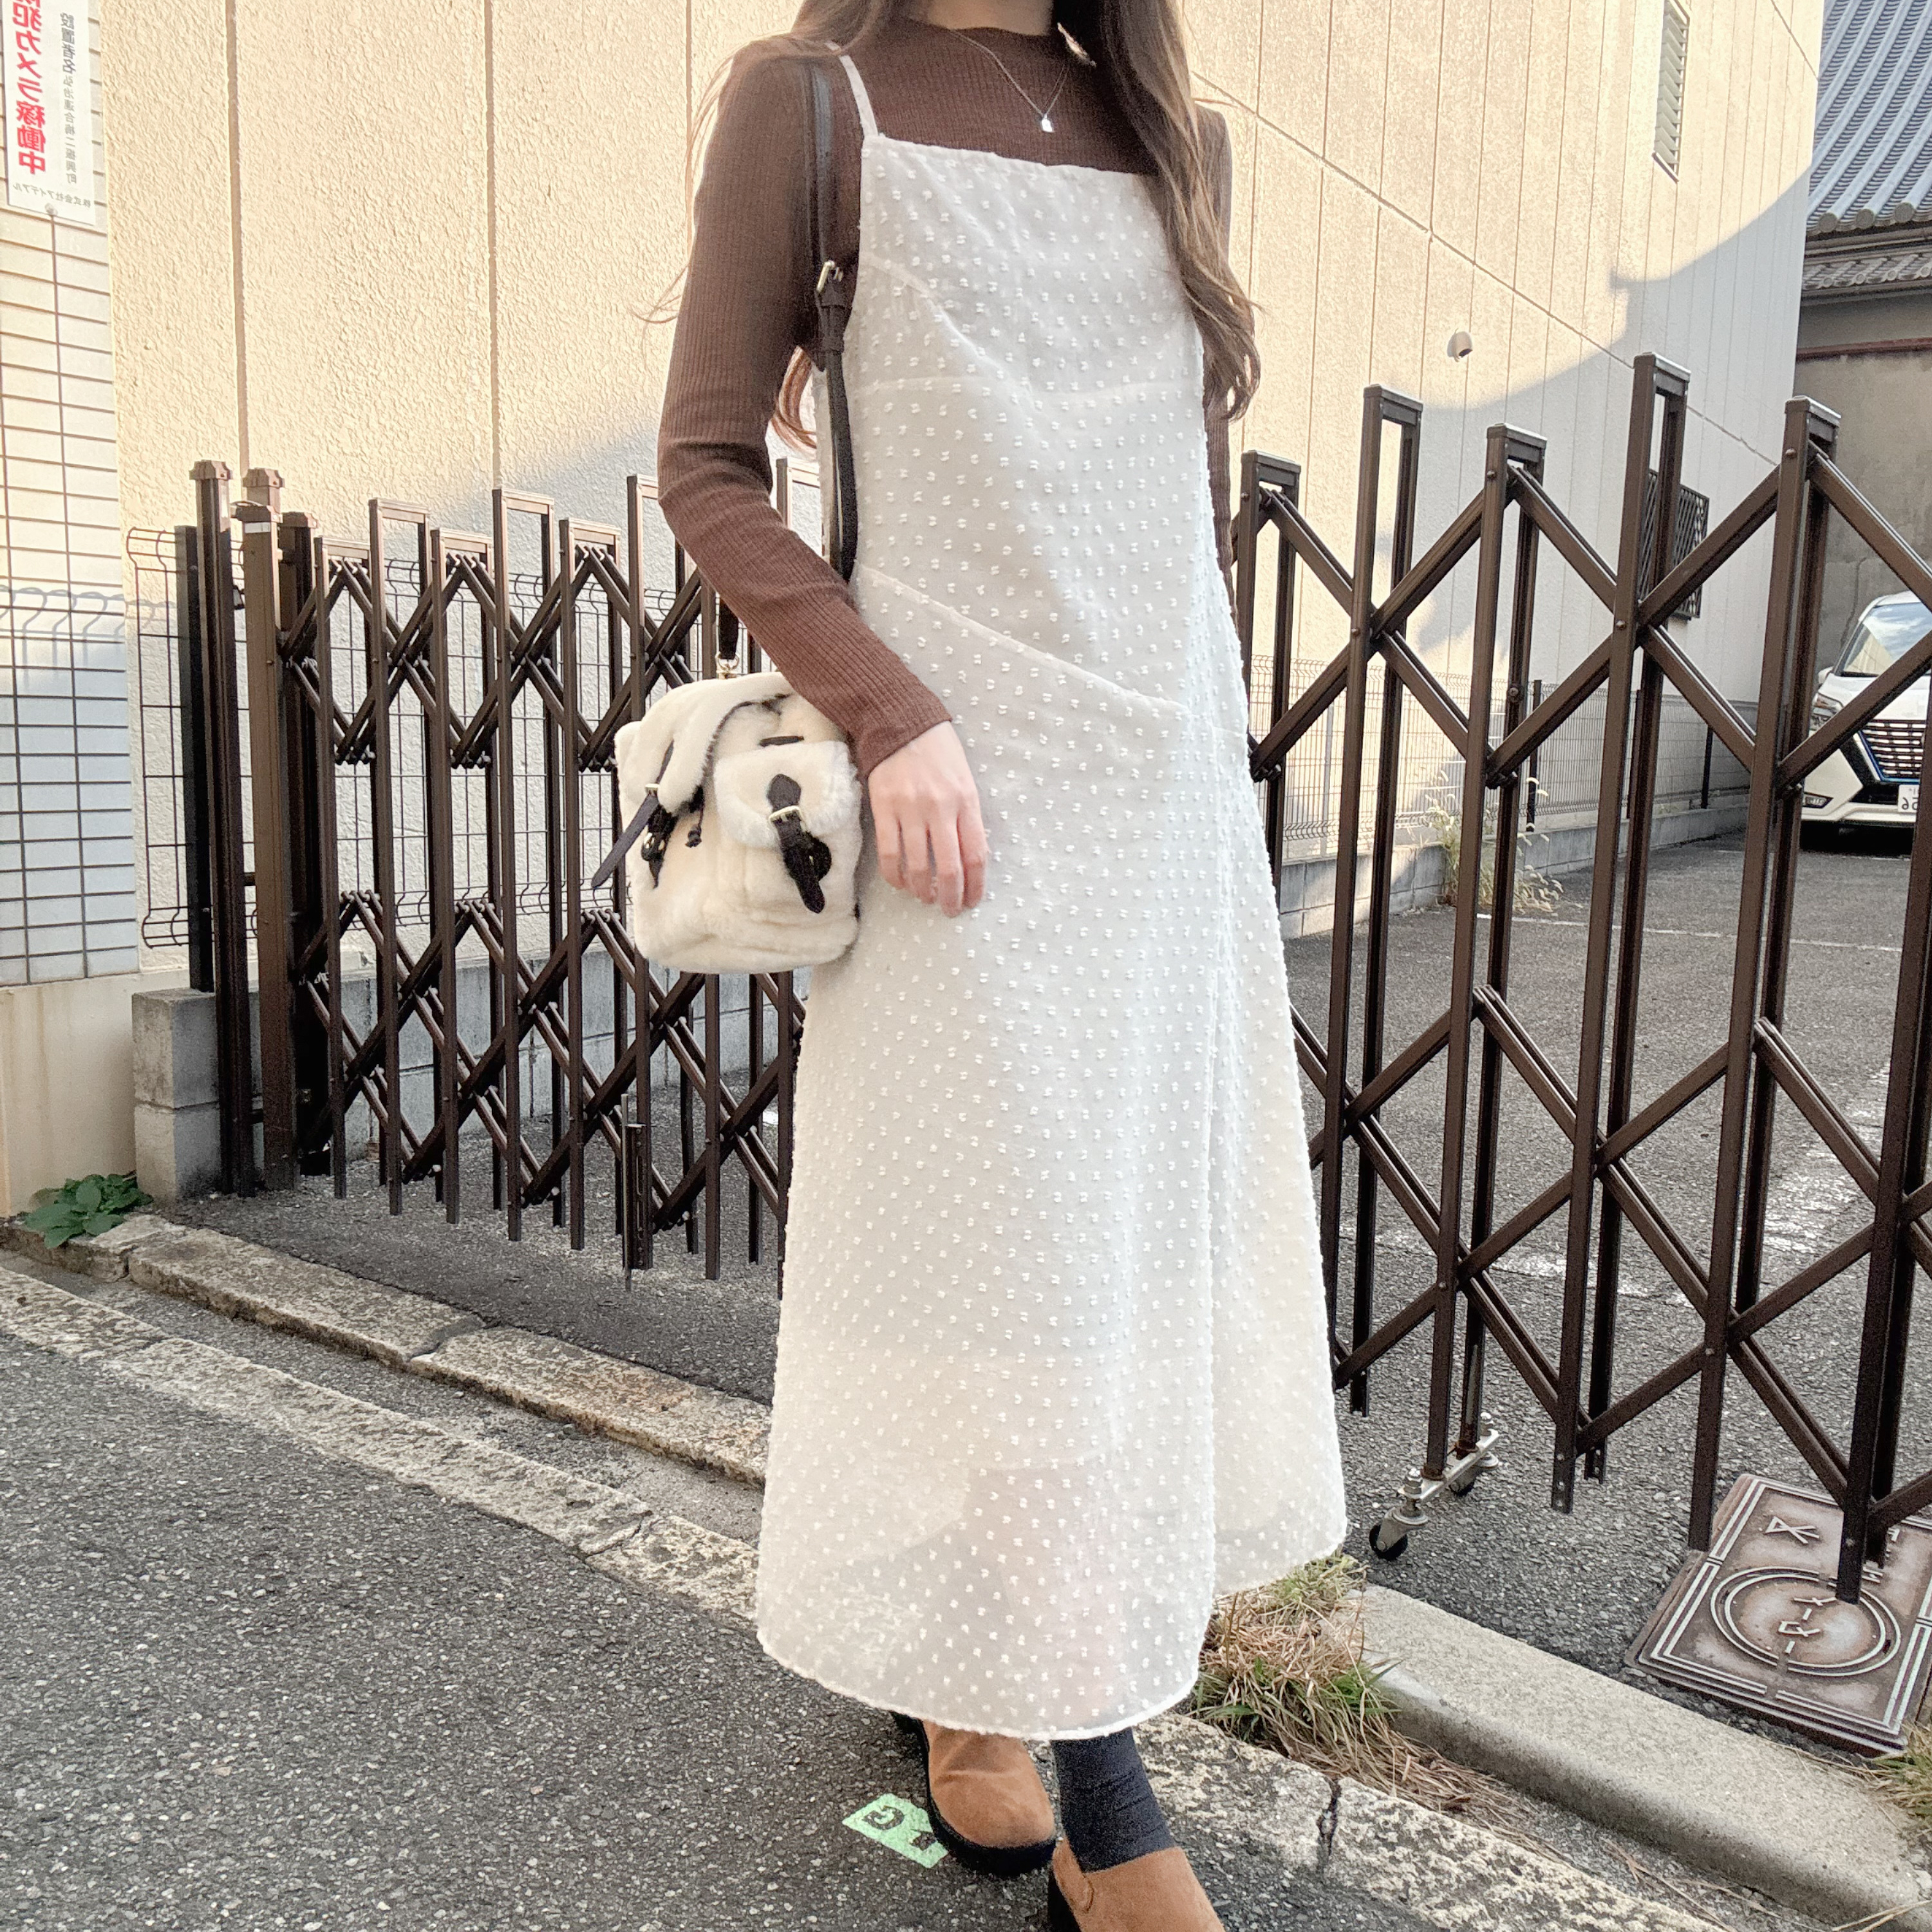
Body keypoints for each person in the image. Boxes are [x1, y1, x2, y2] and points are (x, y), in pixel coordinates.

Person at [655, 3, 1347, 1924]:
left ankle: (975, 1684)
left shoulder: (1172, 132)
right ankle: (1110, 1813)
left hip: (1151, 809)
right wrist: (888, 711)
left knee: (1105, 1281)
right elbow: (708, 466)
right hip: (948, 808)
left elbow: (1170, 508)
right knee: (1004, 1278)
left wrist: (1203, 766)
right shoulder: (813, 104)